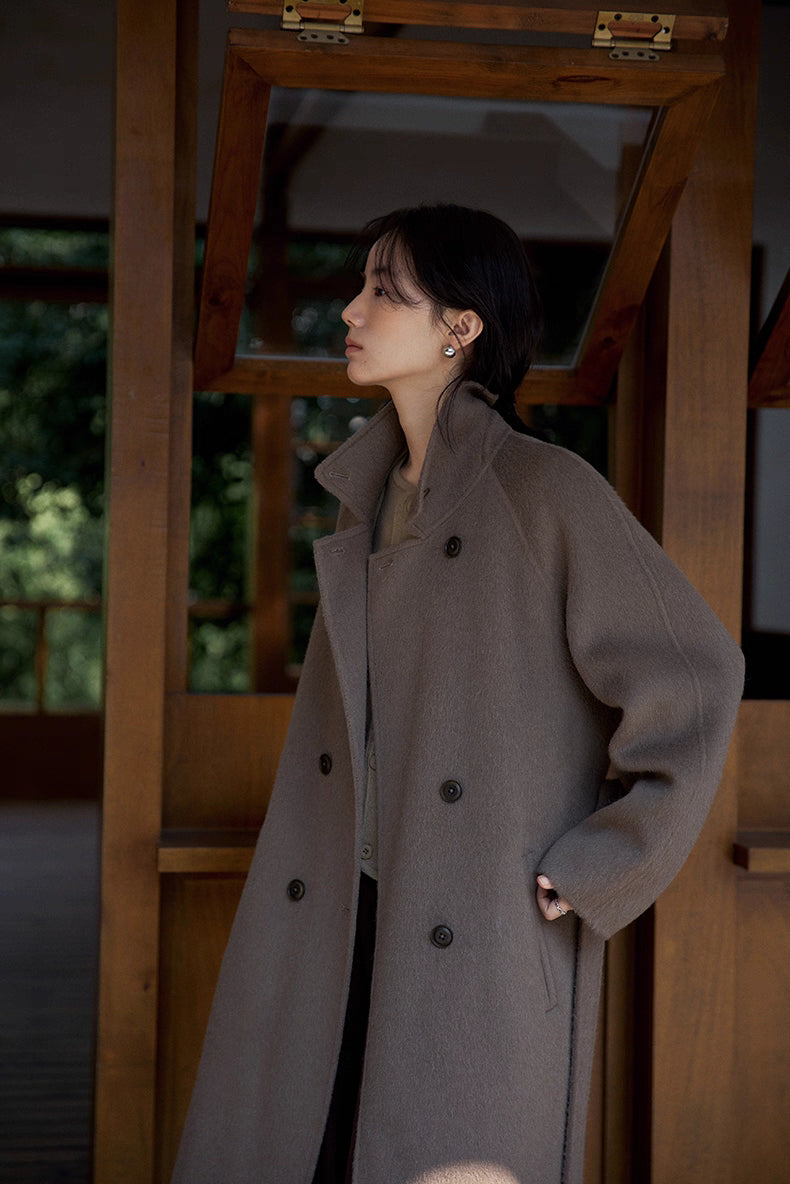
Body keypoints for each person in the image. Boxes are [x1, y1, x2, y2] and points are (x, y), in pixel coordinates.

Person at [171, 205, 744, 1184]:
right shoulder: (371, 488)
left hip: (465, 911)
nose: (350, 309)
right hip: (341, 901)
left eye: (383, 291)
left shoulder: (544, 490)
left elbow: (693, 669)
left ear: (461, 325)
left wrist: (607, 856)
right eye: (359, 286)